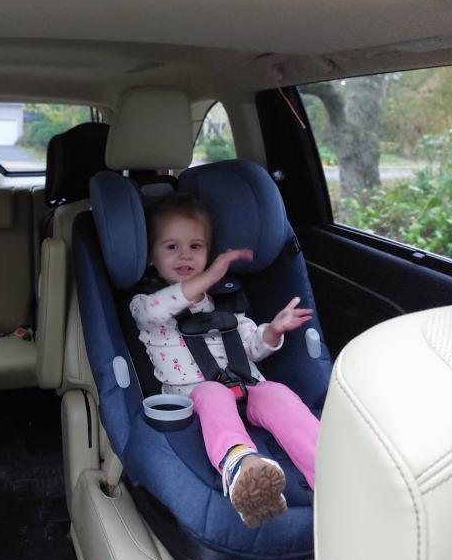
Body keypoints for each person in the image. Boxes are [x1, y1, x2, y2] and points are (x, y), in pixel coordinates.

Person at [130, 193, 319, 528]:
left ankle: (329, 469)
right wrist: (210, 275)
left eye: (196, 246)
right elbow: (158, 309)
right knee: (214, 393)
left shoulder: (226, 304)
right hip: (194, 397)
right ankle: (241, 468)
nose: (185, 254)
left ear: (207, 252)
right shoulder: (146, 306)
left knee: (276, 391)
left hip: (246, 388)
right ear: (150, 257)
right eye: (171, 247)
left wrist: (273, 331)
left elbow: (252, 348)